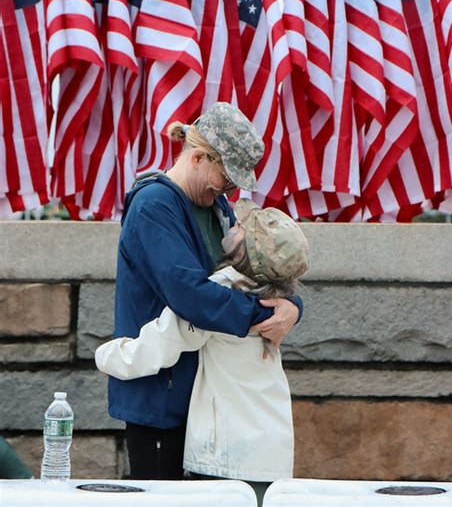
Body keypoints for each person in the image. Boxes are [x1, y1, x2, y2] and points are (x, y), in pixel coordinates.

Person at [109, 102, 303, 480]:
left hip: (204, 403)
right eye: (226, 178)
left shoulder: (217, 206)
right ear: (198, 157)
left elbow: (252, 275)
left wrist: (292, 306)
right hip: (161, 399)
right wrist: (268, 314)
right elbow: (190, 295)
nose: (226, 189)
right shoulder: (154, 205)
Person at [96, 200, 309, 506]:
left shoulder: (222, 291)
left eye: (240, 228)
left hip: (226, 452)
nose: (232, 223)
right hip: (269, 448)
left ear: (246, 251)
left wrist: (107, 355)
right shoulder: (276, 298)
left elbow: (164, 342)